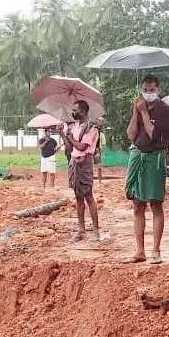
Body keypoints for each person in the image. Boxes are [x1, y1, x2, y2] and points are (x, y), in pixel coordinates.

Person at [126, 75, 169, 263]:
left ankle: (156, 251)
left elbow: (153, 134)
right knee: (137, 204)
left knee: (155, 204)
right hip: (138, 155)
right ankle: (140, 251)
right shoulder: (139, 107)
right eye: (145, 90)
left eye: (152, 90)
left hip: (155, 157)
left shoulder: (165, 110)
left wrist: (144, 113)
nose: (148, 93)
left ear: (158, 90)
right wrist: (135, 112)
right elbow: (131, 135)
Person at [62, 100, 100, 241]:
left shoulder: (91, 127)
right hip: (74, 162)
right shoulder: (75, 126)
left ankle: (96, 231)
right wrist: (63, 134)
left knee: (88, 196)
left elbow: (82, 147)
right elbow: (70, 148)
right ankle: (81, 230)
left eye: (75, 110)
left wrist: (70, 138)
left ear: (83, 111)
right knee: (78, 197)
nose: (73, 113)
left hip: (85, 163)